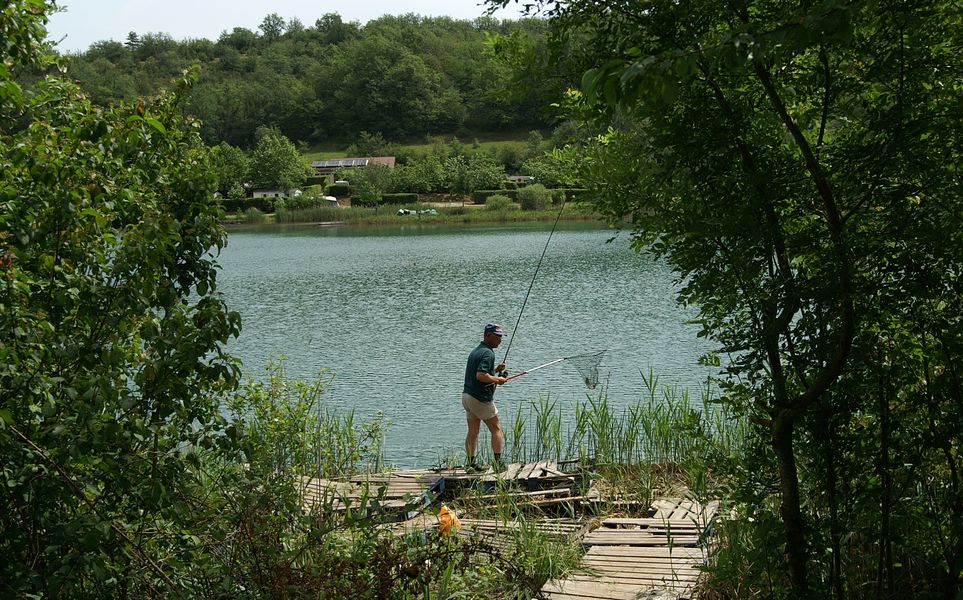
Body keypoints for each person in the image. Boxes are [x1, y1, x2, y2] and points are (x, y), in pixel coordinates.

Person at [462, 322, 509, 472]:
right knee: (497, 429)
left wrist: (495, 370)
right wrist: (498, 379)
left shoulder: (476, 351)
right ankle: (497, 464)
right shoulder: (488, 353)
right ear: (488, 336)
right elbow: (481, 375)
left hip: (467, 397)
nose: (500, 340)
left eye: (501, 337)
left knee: (473, 432)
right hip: (479, 399)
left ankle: (471, 464)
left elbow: (481, 373)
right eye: (497, 337)